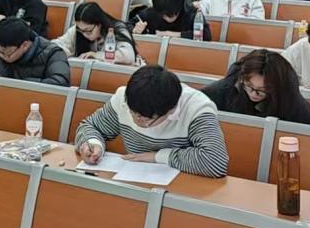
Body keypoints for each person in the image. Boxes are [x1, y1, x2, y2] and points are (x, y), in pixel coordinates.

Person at [76, 65, 229, 178]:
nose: (136, 120)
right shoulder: (124, 98)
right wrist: (93, 143)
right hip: (134, 179)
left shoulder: (196, 109)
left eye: (145, 119)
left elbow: (215, 162)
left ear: (170, 110)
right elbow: (91, 126)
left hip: (182, 185)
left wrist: (157, 157)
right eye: (132, 112)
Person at [202, 49, 310, 123]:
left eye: (262, 90)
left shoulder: (295, 105)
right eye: (249, 86)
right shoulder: (222, 90)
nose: (254, 94)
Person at [0, 17, 69, 85]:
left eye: (7, 53)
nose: (1, 55)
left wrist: (19, 85)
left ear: (25, 45)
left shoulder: (53, 54)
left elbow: (60, 83)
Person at [53, 1, 138, 64]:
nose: (84, 34)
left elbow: (128, 56)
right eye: (81, 31)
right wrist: (63, 52)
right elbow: (56, 44)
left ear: (99, 24)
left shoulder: (118, 29)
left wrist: (96, 55)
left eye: (89, 31)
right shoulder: (78, 30)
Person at [133, 0, 202, 39]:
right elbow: (128, 25)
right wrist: (135, 30)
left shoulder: (191, 12)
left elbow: (204, 35)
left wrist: (171, 34)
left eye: (172, 14)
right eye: (164, 15)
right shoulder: (152, 11)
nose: (168, 18)